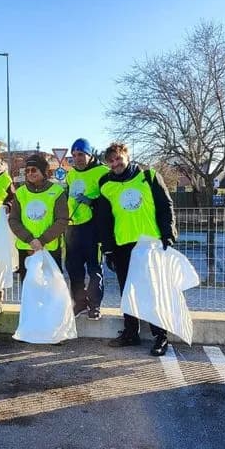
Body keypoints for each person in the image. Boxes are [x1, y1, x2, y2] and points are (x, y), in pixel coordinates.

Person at [96, 142, 177, 357]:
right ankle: (131, 332)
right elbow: (104, 220)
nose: (115, 164)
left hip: (149, 245)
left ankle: (161, 336)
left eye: (118, 159)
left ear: (127, 156)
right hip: (122, 246)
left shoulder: (148, 177)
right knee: (128, 292)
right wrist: (108, 249)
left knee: (153, 291)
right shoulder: (105, 184)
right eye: (111, 161)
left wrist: (169, 234)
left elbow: (165, 206)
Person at [64, 138, 109, 321]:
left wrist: (92, 201)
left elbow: (109, 201)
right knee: (74, 269)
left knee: (94, 269)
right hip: (72, 227)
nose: (77, 159)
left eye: (81, 154)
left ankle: (95, 305)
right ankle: (80, 303)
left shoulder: (103, 172)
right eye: (74, 155)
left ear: (90, 155)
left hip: (92, 229)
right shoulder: (71, 174)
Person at [8, 153, 68, 281]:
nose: (30, 173)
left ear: (43, 171)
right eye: (27, 170)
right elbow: (13, 220)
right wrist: (30, 239)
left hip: (49, 249)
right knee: (29, 289)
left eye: (34, 169)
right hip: (26, 248)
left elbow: (62, 220)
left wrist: (42, 240)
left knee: (51, 289)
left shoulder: (57, 192)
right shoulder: (20, 193)